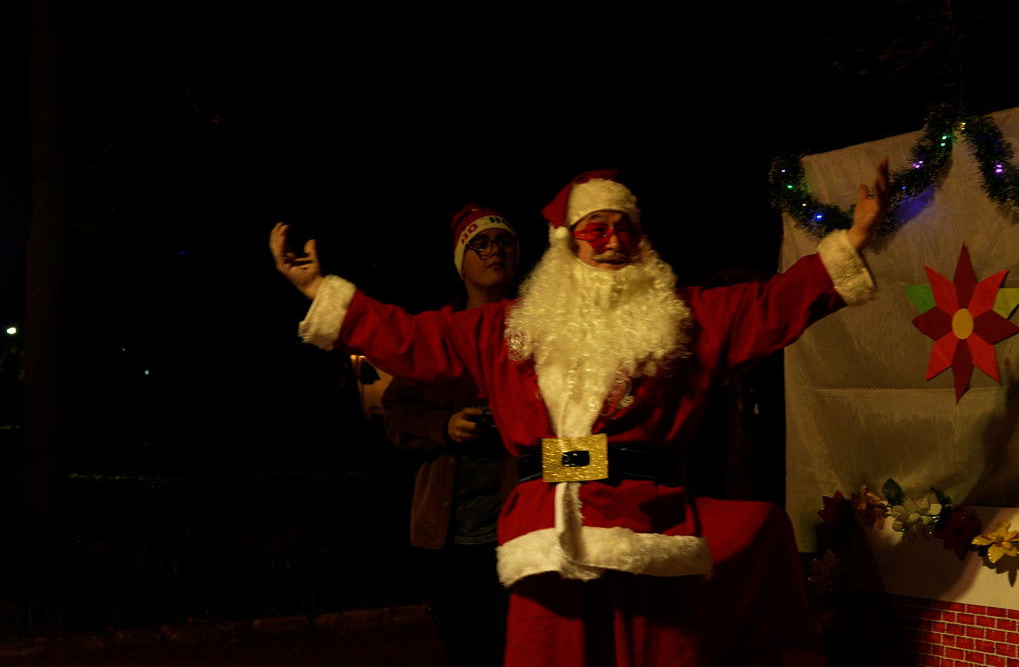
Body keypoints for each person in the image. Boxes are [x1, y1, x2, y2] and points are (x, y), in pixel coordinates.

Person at [270, 162, 889, 667]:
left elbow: (770, 305)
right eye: (596, 230)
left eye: (626, 229)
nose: (615, 240)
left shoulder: (682, 317)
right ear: (567, 245)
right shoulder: (508, 329)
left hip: (650, 528)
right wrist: (318, 289)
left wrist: (851, 243)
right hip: (548, 536)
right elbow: (409, 338)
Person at [379, 205, 520, 666]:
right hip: (447, 537)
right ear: (462, 261)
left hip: (521, 532)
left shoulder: (540, 328)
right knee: (464, 649)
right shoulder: (437, 334)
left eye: (502, 241)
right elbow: (396, 412)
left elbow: (581, 438)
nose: (494, 250)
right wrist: (445, 427)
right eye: (480, 244)